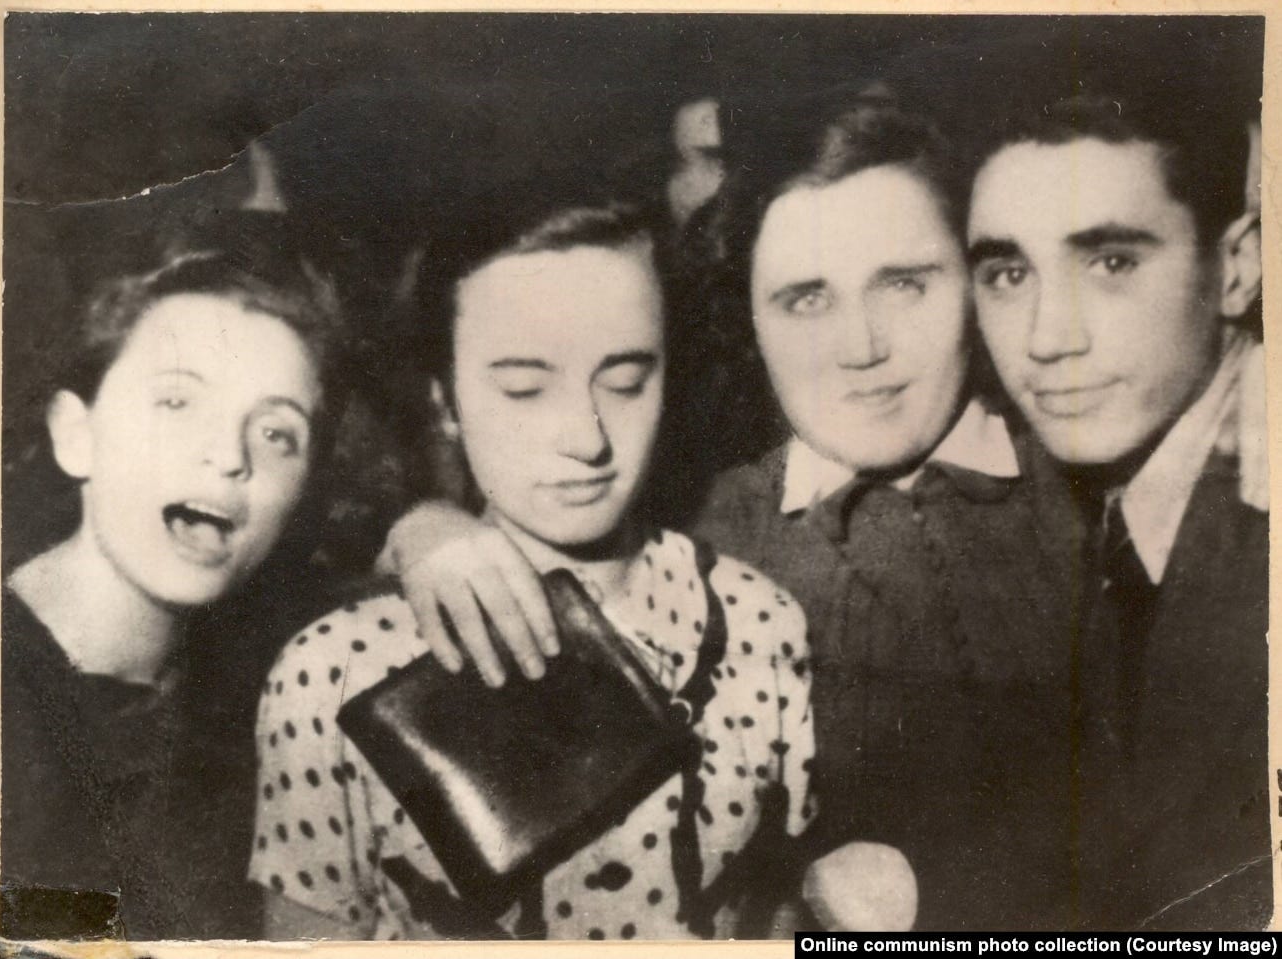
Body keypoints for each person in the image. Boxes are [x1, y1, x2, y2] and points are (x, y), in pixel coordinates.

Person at [376, 96, 1083, 929]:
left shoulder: (1096, 494)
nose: (862, 348)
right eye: (805, 299)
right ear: (744, 316)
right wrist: (422, 526)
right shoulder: (702, 531)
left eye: (903, 282)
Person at [249, 181, 817, 941]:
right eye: (524, 387)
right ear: (444, 402)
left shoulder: (762, 622)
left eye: (625, 379)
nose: (585, 436)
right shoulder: (330, 675)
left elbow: (779, 911)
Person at [967, 91, 1269, 929]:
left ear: (1239, 267)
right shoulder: (1083, 487)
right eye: (1007, 274)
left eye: (1110, 263)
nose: (1046, 337)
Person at [0, 229, 348, 940]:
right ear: (76, 434)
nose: (228, 456)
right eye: (177, 402)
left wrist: (434, 532)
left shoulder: (262, 688)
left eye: (277, 433)